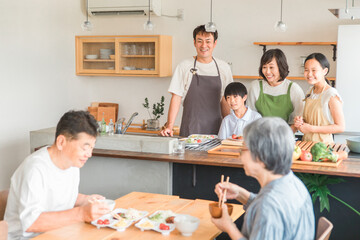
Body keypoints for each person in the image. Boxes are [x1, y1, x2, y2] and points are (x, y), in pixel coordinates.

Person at [5, 110, 110, 240]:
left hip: (57, 234)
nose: (89, 154)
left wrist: (86, 200)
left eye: (91, 148)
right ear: (61, 142)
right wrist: (81, 213)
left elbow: (55, 194)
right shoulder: (35, 169)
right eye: (85, 147)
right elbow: (31, 223)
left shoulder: (72, 164)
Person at [211, 117, 315, 240]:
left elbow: (268, 208)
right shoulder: (293, 182)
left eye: (242, 149)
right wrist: (240, 194)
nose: (239, 156)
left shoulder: (268, 206)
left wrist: (229, 227)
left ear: (261, 156)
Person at [160, 24, 233, 137]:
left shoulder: (224, 67)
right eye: (200, 41)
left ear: (215, 43)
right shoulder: (184, 66)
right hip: (190, 129)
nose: (204, 45)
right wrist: (169, 126)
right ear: (194, 42)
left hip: (217, 130)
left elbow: (225, 100)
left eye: (208, 41)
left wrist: (230, 127)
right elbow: (176, 97)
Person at [247, 49, 305, 132]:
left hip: (285, 136)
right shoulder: (255, 87)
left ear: (281, 67)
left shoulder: (294, 89)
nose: (267, 72)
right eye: (264, 67)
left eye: (271, 67)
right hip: (259, 136)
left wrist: (281, 136)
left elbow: (298, 121)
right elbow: (250, 117)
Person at [294, 53, 345, 143]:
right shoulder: (310, 91)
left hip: (324, 147)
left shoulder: (331, 94)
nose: (309, 74)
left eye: (314, 70)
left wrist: (311, 129)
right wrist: (300, 122)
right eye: (306, 70)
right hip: (307, 145)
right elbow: (310, 122)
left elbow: (340, 127)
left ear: (324, 71)